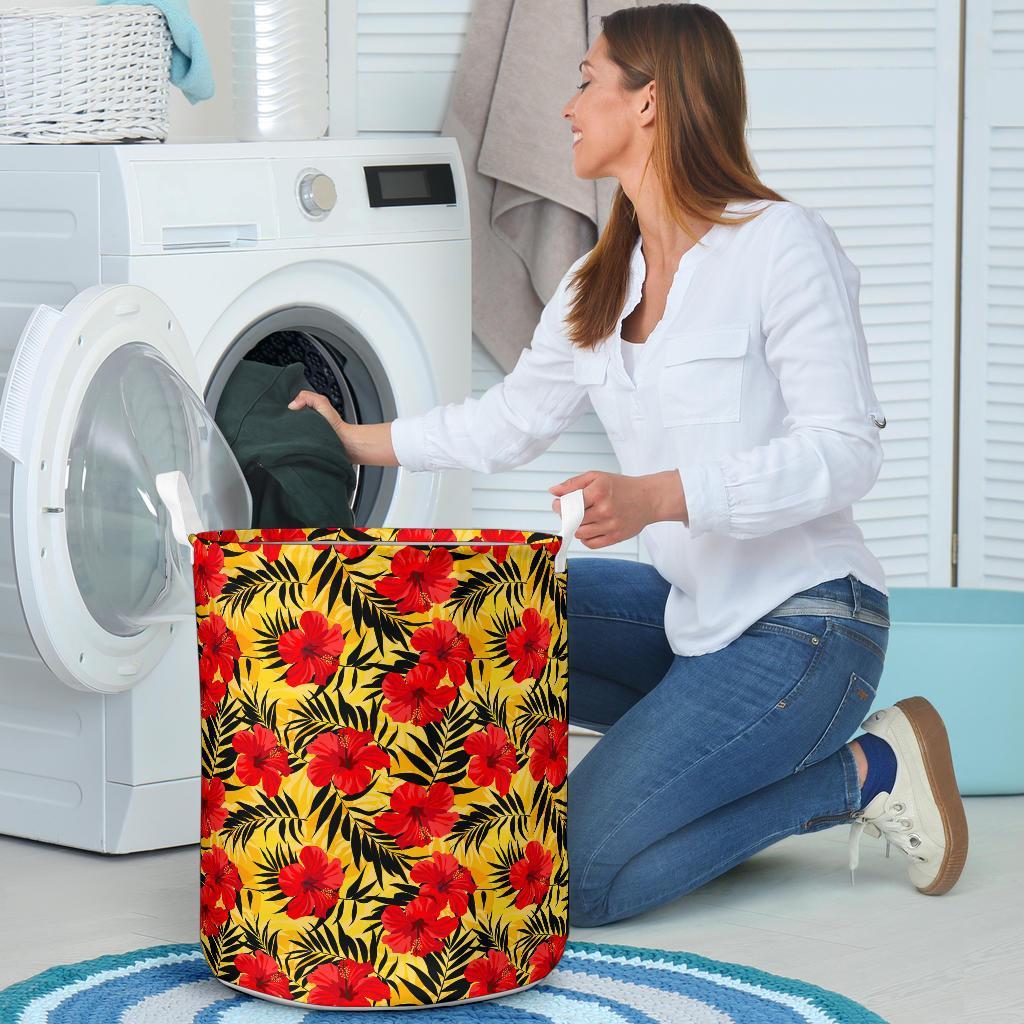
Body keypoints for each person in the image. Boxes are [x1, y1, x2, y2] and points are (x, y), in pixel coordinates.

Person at [288, 3, 968, 928]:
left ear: (648, 102)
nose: (567, 107)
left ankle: (865, 772)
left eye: (585, 81)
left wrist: (662, 498)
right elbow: (508, 422)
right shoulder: (597, 281)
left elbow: (846, 453)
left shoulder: (779, 244)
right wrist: (358, 437)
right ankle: (611, 781)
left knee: (577, 880)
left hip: (810, 628)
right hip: (695, 621)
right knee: (478, 612)